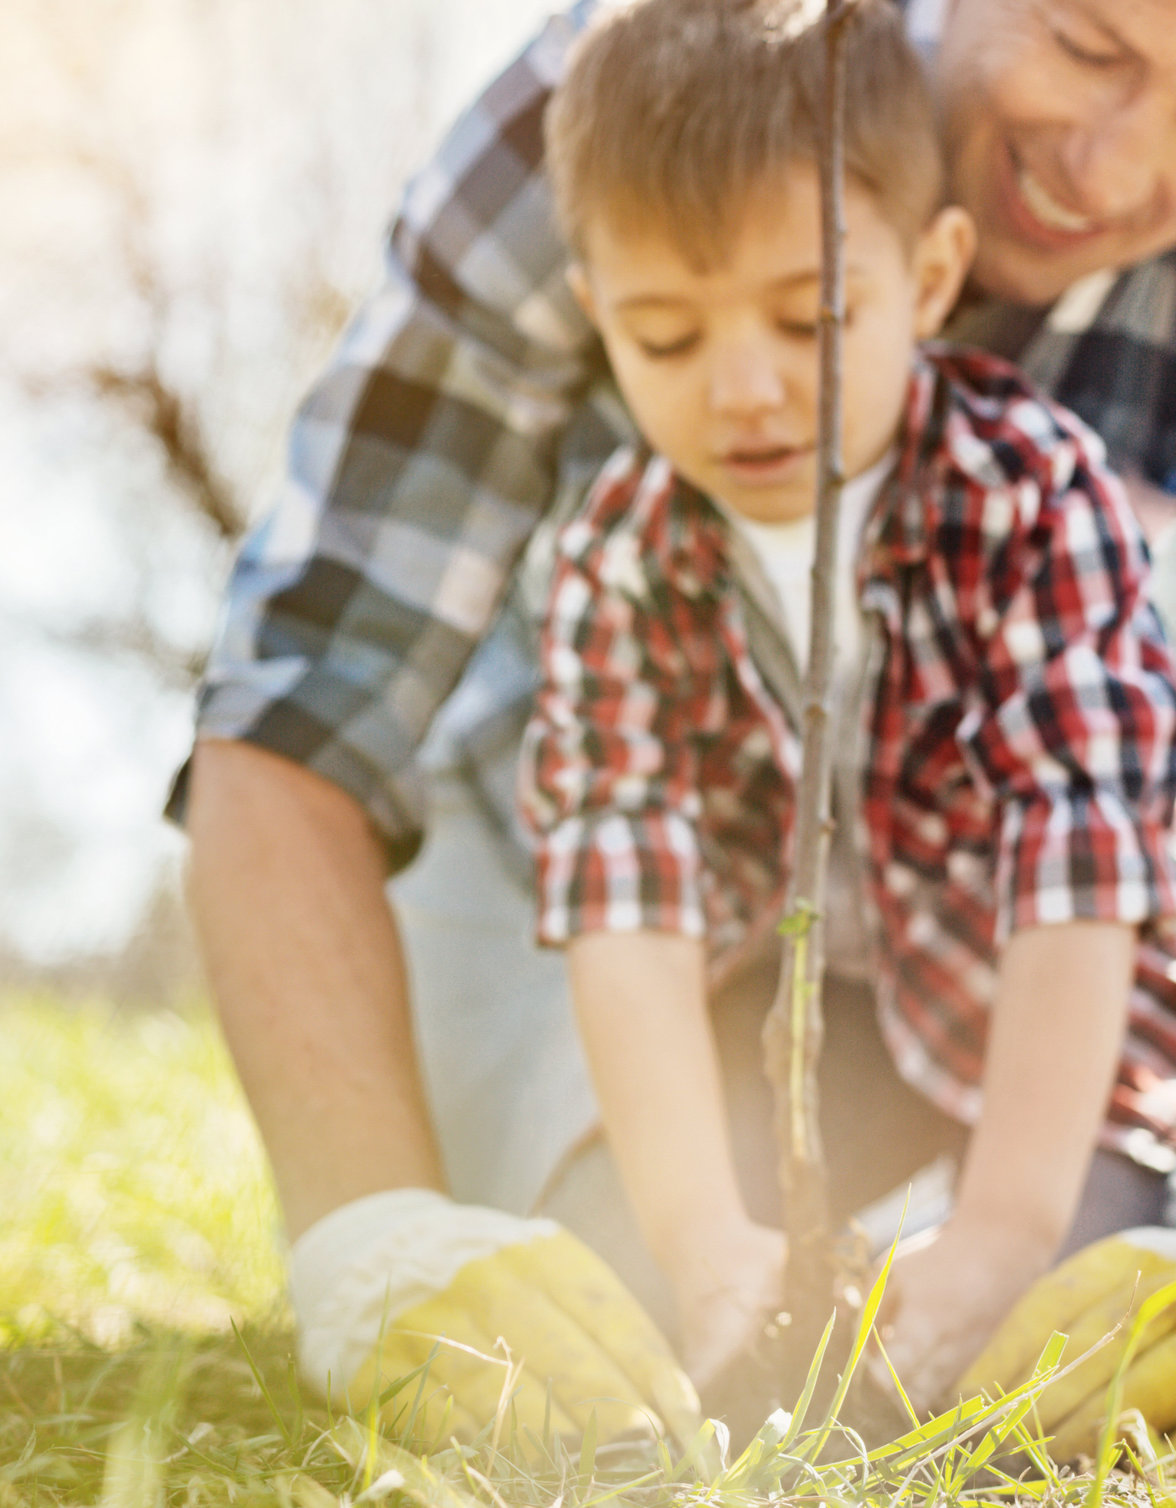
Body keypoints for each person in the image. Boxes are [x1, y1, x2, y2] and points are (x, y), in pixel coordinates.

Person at [178, 0, 1176, 1442]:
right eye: (1089, 45)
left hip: (1055, 932)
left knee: (1073, 1277)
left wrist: (1051, 1219)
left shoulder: (1042, 495)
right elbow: (305, 704)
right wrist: (367, 1233)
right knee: (622, 1287)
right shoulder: (636, 95)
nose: (1110, 164)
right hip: (598, 862)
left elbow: (1090, 848)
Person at [524, 0, 1176, 1398]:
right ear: (598, 319)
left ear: (932, 278)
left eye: (810, 318)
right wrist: (703, 1245)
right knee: (600, 1287)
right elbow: (625, 916)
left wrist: (1000, 1238)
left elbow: (1080, 893)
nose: (747, 391)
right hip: (821, 1014)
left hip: (1073, 1026)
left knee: (1049, 1327)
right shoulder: (618, 560)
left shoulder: (1032, 499)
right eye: (666, 336)